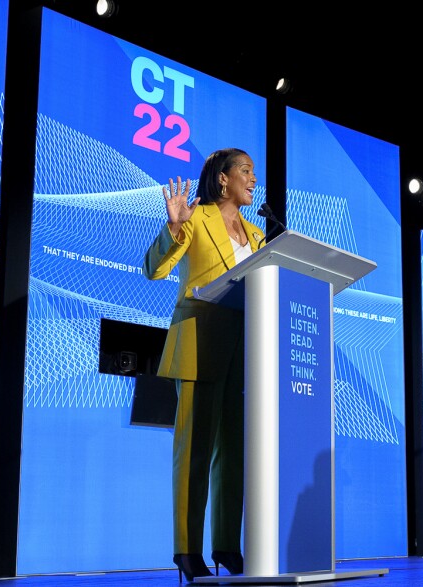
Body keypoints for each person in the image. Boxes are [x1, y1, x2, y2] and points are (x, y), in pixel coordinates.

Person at [144, 148, 265, 582]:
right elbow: (154, 271)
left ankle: (227, 546)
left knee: (234, 456)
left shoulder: (257, 236)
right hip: (198, 344)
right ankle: (186, 549)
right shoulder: (196, 218)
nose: (253, 178)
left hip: (244, 354)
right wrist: (174, 227)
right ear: (223, 180)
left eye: (253, 172)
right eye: (246, 171)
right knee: (194, 454)